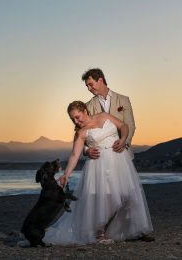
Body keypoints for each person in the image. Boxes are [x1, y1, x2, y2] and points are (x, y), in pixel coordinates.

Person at [43, 101, 153, 245]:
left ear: (84, 110)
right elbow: (74, 155)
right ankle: (99, 234)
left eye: (77, 116)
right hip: (99, 166)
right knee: (108, 199)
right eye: (73, 119)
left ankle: (118, 230)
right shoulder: (81, 132)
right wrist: (66, 175)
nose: (76, 121)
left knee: (126, 194)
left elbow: (123, 126)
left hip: (119, 161)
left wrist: (123, 139)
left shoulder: (104, 116)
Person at [82, 68, 136, 159]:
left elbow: (130, 125)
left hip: (123, 155)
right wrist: (86, 150)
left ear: (100, 80)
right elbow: (82, 133)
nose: (88, 89)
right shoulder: (87, 107)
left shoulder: (123, 100)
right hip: (99, 158)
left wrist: (124, 143)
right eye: (87, 86)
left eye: (90, 85)